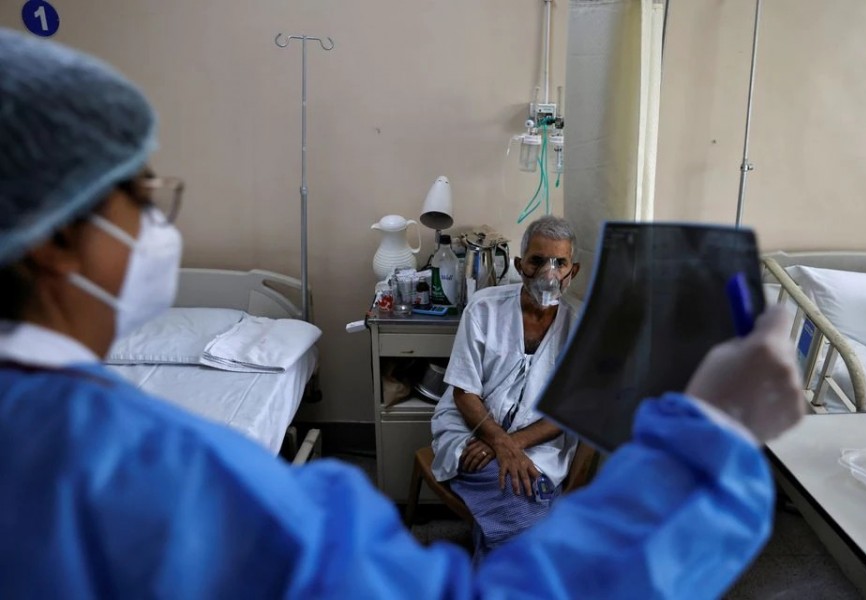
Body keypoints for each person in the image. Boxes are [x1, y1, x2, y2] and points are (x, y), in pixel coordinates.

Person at [0, 28, 806, 598]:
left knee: (532, 500)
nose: (156, 226)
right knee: (515, 517)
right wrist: (713, 439)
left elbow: (568, 414)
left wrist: (527, 444)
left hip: (534, 450)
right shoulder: (148, 475)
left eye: (563, 264)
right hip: (487, 443)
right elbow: (463, 400)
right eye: (140, 199)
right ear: (50, 237)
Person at [431, 215, 584, 559]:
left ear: (572, 272)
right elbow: (464, 391)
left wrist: (507, 445)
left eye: (560, 262)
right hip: (471, 432)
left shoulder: (579, 328)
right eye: (538, 260)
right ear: (519, 264)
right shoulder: (484, 308)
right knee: (527, 504)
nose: (549, 272)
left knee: (523, 492)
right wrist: (496, 441)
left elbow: (569, 412)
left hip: (536, 443)